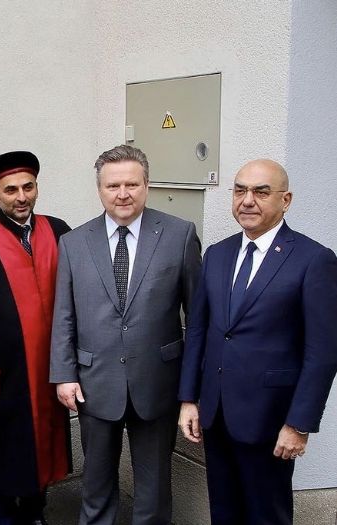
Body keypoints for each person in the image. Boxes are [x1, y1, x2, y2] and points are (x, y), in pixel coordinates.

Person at [178, 159, 337, 524]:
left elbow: (323, 352)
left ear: (286, 200)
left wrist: (298, 424)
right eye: (240, 190)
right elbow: (199, 330)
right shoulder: (217, 254)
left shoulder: (314, 260)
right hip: (216, 415)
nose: (247, 200)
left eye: (261, 192)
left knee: (267, 515)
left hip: (271, 419)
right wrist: (189, 399)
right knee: (224, 511)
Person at [50, 145, 201, 524]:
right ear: (99, 189)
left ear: (147, 185)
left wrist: (190, 389)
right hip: (94, 381)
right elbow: (64, 315)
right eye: (112, 185)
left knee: (153, 489)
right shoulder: (73, 242)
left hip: (157, 382)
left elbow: (197, 317)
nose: (123, 194)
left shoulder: (179, 235)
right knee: (96, 484)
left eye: (132, 184)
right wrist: (64, 374)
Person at [0, 151, 72, 525]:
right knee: (1, 444)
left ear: (37, 188)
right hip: (2, 371)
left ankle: (36, 512)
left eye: (28, 187)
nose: (21, 197)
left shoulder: (59, 231)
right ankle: (3, 513)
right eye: (10, 190)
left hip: (48, 367)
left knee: (44, 443)